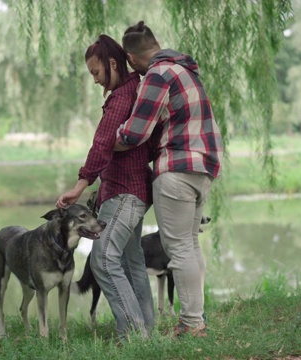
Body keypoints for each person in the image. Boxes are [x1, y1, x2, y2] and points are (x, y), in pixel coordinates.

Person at [114, 21, 223, 338]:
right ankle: (194, 319)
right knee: (189, 244)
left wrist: (110, 138)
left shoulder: (158, 74)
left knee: (179, 249)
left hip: (176, 167)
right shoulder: (186, 71)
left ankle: (191, 324)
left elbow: (134, 133)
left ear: (132, 59)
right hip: (202, 167)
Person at [56, 34, 154, 339]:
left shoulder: (123, 96)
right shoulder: (136, 90)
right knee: (130, 260)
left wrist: (81, 184)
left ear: (113, 64)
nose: (96, 81)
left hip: (126, 192)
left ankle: (135, 335)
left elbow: (102, 143)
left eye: (96, 73)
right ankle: (146, 332)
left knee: (103, 259)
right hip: (133, 188)